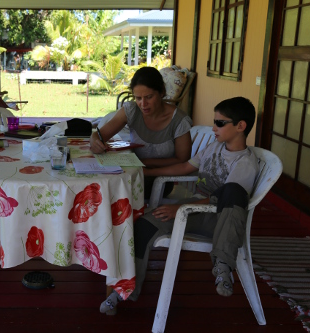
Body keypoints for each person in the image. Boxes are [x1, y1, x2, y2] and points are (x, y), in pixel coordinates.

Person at [100, 97, 259, 315]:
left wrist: (180, 209)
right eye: (214, 121)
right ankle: (123, 290)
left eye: (220, 123)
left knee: (232, 190)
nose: (214, 127)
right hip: (193, 211)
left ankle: (223, 265)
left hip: (220, 220)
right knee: (140, 227)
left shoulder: (245, 162)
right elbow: (185, 167)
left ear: (241, 126)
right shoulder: (215, 147)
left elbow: (229, 200)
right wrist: (144, 172)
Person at [89, 67, 192, 198]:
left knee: (107, 191)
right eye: (138, 98)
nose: (143, 104)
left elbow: (182, 160)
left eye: (149, 97)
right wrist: (95, 141)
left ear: (161, 92)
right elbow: (98, 135)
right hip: (133, 172)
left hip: (159, 181)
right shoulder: (131, 110)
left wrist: (145, 164)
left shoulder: (179, 121)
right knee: (98, 187)